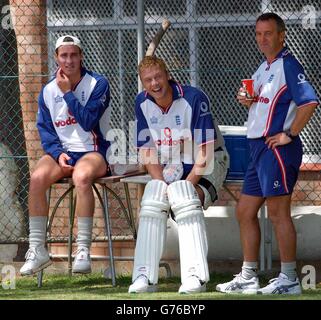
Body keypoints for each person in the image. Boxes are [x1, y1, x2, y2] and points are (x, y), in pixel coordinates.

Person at [216, 13, 319, 295]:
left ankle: (289, 279)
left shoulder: (288, 64)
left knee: (278, 213)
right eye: (259, 33)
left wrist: (291, 133)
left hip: (277, 150)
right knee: (244, 210)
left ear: (281, 35)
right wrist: (246, 101)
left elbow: (309, 102)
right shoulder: (264, 67)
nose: (262, 39)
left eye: (268, 33)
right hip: (257, 149)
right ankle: (249, 276)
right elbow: (263, 106)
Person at [128, 55, 229, 294]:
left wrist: (182, 186)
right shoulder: (141, 102)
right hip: (172, 163)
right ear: (143, 84)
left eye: (158, 77)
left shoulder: (194, 98)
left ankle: (195, 277)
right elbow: (147, 150)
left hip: (209, 160)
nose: (155, 84)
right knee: (154, 193)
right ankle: (144, 276)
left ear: (168, 76)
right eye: (148, 80)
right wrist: (162, 183)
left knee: (184, 196)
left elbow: (204, 154)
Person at [20, 35, 111, 276]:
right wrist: (57, 153)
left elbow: (89, 120)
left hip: (94, 151)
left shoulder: (98, 84)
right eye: (64, 55)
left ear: (81, 56)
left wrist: (68, 93)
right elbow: (46, 130)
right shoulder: (48, 90)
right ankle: (38, 249)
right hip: (64, 153)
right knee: (37, 178)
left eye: (73, 55)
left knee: (82, 177)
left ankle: (83, 249)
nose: (69, 60)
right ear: (56, 57)